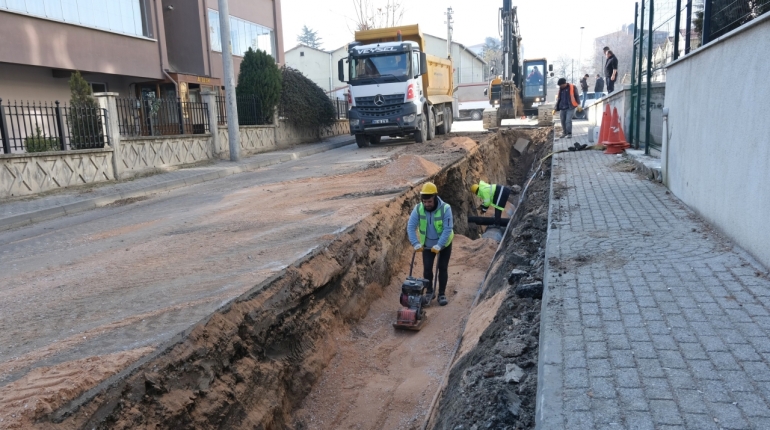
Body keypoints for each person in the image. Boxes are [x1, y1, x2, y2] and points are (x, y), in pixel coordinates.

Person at [407, 182, 454, 306]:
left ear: (435, 197)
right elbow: (411, 227)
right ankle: (429, 291)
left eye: (429, 202)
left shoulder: (446, 208)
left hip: (443, 245)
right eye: (425, 202)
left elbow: (447, 229)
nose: (427, 204)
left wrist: (439, 245)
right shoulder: (418, 208)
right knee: (427, 269)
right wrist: (415, 243)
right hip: (427, 245)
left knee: (442, 268)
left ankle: (442, 294)